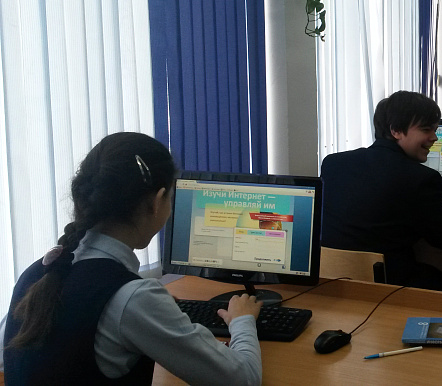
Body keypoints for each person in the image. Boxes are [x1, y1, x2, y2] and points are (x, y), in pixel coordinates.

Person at [1, 132, 263, 385]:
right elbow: (244, 379)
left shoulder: (38, 274)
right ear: (157, 202)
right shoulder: (132, 298)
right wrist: (242, 320)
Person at [320, 91, 442, 291]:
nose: (434, 137)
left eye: (435, 130)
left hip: (330, 281)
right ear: (396, 131)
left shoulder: (332, 163)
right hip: (388, 287)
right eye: (426, 129)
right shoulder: (421, 178)